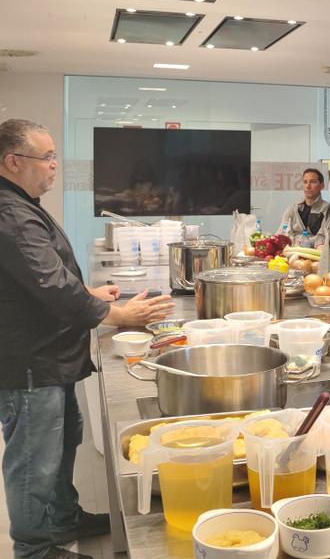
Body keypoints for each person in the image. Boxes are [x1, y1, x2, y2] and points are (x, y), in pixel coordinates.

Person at [0, 119, 175, 559]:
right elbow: (51, 285)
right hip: (31, 362)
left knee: (62, 445)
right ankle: (34, 549)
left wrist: (90, 294)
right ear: (13, 161)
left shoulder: (23, 204)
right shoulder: (10, 213)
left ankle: (63, 519)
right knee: (34, 461)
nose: (54, 165)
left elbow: (44, 278)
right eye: (47, 157)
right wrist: (118, 315)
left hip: (50, 355)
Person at [280, 168, 328, 246]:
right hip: (292, 249)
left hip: (315, 251)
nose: (308, 186)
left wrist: (302, 242)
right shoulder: (292, 209)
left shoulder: (328, 210)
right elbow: (281, 233)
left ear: (322, 185)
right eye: (305, 182)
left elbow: (324, 237)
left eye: (313, 182)